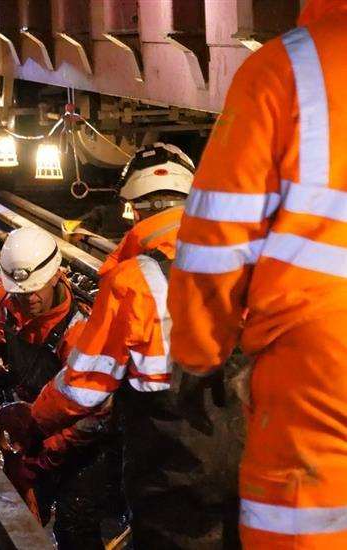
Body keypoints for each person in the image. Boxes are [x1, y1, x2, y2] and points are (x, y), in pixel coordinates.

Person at [169, 1, 347, 548]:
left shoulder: (290, 67)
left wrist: (201, 352)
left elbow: (217, 242)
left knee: (303, 524)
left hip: (320, 358)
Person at [32, 143, 243, 549]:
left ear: (134, 209)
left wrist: (34, 421)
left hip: (173, 477)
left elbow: (82, 389)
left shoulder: (133, 281)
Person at [0, 226, 120, 549]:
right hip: (37, 420)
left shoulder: (81, 333)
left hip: (86, 437)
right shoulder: (1, 296)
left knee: (75, 520)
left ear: (56, 275)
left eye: (36, 289)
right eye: (21, 292)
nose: (30, 299)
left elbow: (99, 417)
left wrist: (41, 459)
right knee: (21, 511)